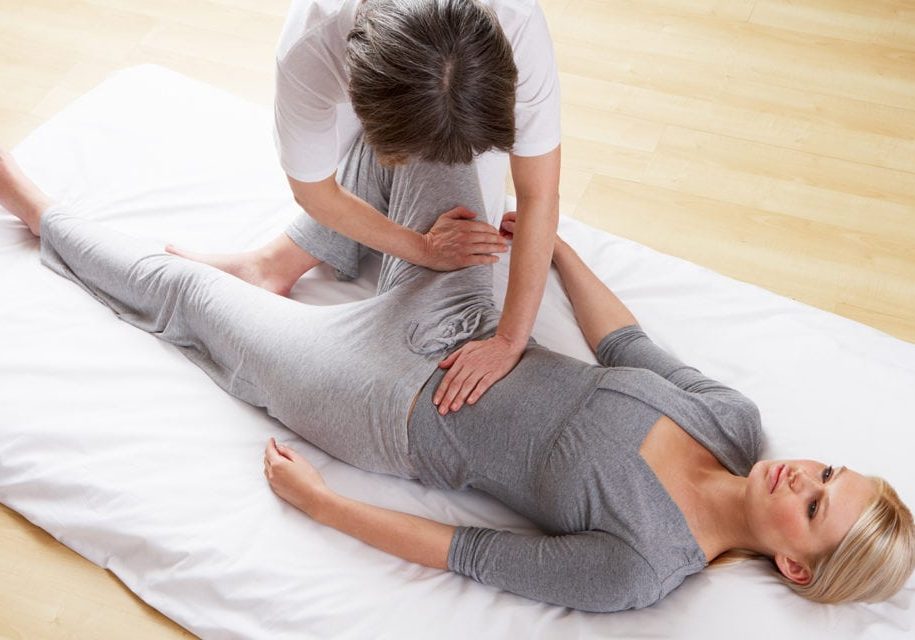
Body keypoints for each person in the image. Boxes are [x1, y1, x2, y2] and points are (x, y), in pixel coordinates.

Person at [2, 144, 912, 612]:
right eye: (829, 472)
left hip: (379, 402)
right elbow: (625, 345)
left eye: (814, 504)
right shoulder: (733, 425)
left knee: (184, 295)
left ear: (792, 563)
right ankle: (280, 260)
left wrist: (323, 505)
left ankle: (37, 209)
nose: (805, 475)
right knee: (426, 131)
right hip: (467, 325)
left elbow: (461, 553)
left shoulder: (642, 567)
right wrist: (551, 250)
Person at [167, 0, 564, 415]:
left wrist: (508, 339)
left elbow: (538, 192)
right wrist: (422, 248)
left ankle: (275, 263)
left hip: (450, 94)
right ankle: (275, 263)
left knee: (462, 209)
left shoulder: (516, 22)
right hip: (358, 98)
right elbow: (315, 192)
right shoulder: (312, 46)